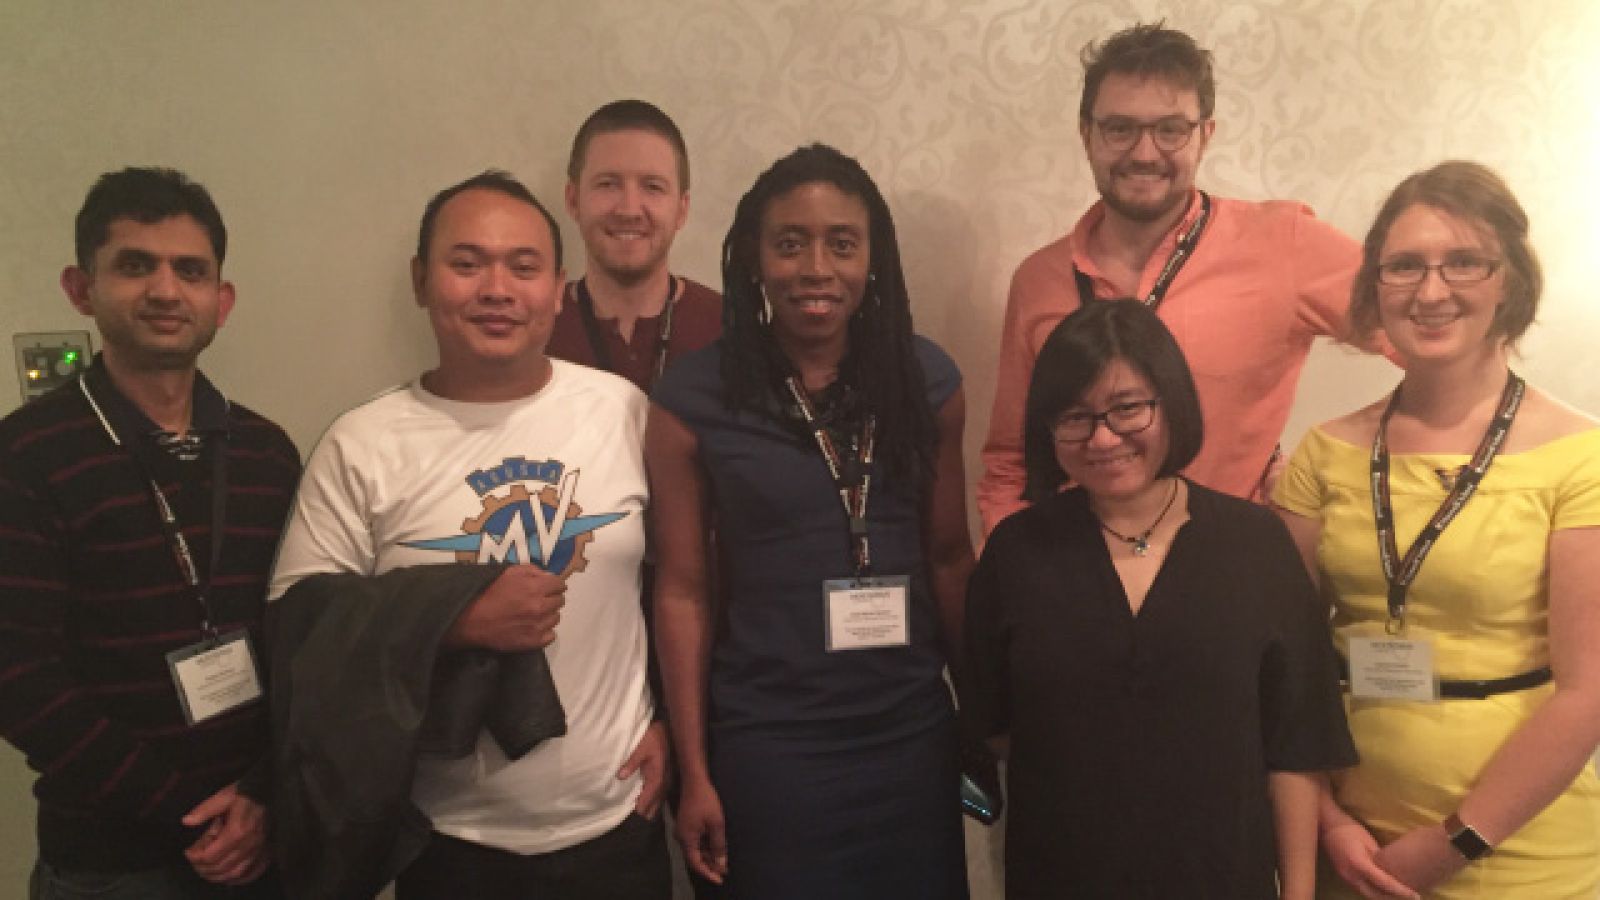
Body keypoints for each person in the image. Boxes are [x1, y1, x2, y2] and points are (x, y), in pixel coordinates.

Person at [268, 171, 672, 899]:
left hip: (619, 827)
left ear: (558, 289)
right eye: (466, 263)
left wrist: (672, 721)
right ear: (422, 281)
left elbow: (680, 583)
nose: (496, 288)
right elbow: (298, 626)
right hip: (448, 845)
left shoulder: (623, 411)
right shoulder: (362, 443)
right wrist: (449, 618)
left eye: (523, 267)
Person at [649, 143, 974, 899]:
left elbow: (952, 556)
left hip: (909, 738)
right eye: (789, 243)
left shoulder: (928, 381)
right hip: (769, 748)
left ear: (874, 259)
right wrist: (696, 772)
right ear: (754, 259)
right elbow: (683, 592)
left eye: (842, 243)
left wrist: (981, 714)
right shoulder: (693, 399)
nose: (816, 268)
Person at [1274, 161, 1600, 899]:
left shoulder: (1583, 457)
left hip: (1519, 859)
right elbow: (1283, 672)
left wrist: (1456, 842)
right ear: (1373, 286)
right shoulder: (1324, 455)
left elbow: (1589, 693)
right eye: (1404, 267)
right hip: (1353, 855)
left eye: (1463, 262)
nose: (1430, 291)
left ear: (1509, 279)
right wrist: (1328, 823)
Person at [965, 300, 1356, 899]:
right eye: (1074, 416)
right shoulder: (1017, 552)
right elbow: (997, 728)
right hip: (1062, 879)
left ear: (1170, 402)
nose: (1102, 438)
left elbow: (1296, 747)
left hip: (1223, 877)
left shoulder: (1254, 542)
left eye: (1127, 408)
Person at [0, 167, 300, 898]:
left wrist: (260, 794)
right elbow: (19, 679)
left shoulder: (266, 452)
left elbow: (304, 638)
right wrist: (189, 814)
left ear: (220, 301)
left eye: (190, 271)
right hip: (111, 862)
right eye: (136, 265)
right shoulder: (28, 455)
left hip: (264, 837)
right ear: (81, 288)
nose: (166, 291)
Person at [978, 21, 1384, 533]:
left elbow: (1433, 339)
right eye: (1120, 128)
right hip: (1080, 579)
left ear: (1204, 135)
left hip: (1226, 573)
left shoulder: (1285, 243)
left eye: (1170, 129)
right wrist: (1014, 565)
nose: (1144, 153)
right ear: (1087, 134)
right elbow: (1011, 457)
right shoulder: (1039, 280)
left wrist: (1331, 472)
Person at [549, 99, 721, 390]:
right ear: (573, 200)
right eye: (608, 184)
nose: (629, 210)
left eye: (653, 187)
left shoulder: (728, 329)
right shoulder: (536, 328)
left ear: (681, 209)